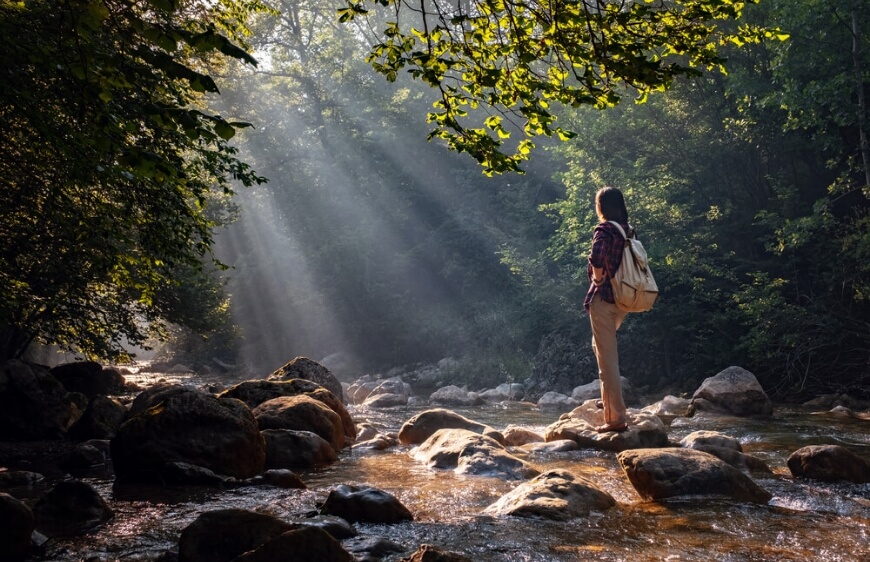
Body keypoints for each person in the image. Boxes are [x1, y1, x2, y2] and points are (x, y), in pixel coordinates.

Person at [583, 186, 632, 433]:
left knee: (607, 361)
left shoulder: (604, 229)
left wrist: (599, 278)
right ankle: (609, 401)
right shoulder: (627, 230)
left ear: (601, 206)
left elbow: (597, 256)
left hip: (603, 299)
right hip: (623, 299)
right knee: (599, 347)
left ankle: (615, 420)